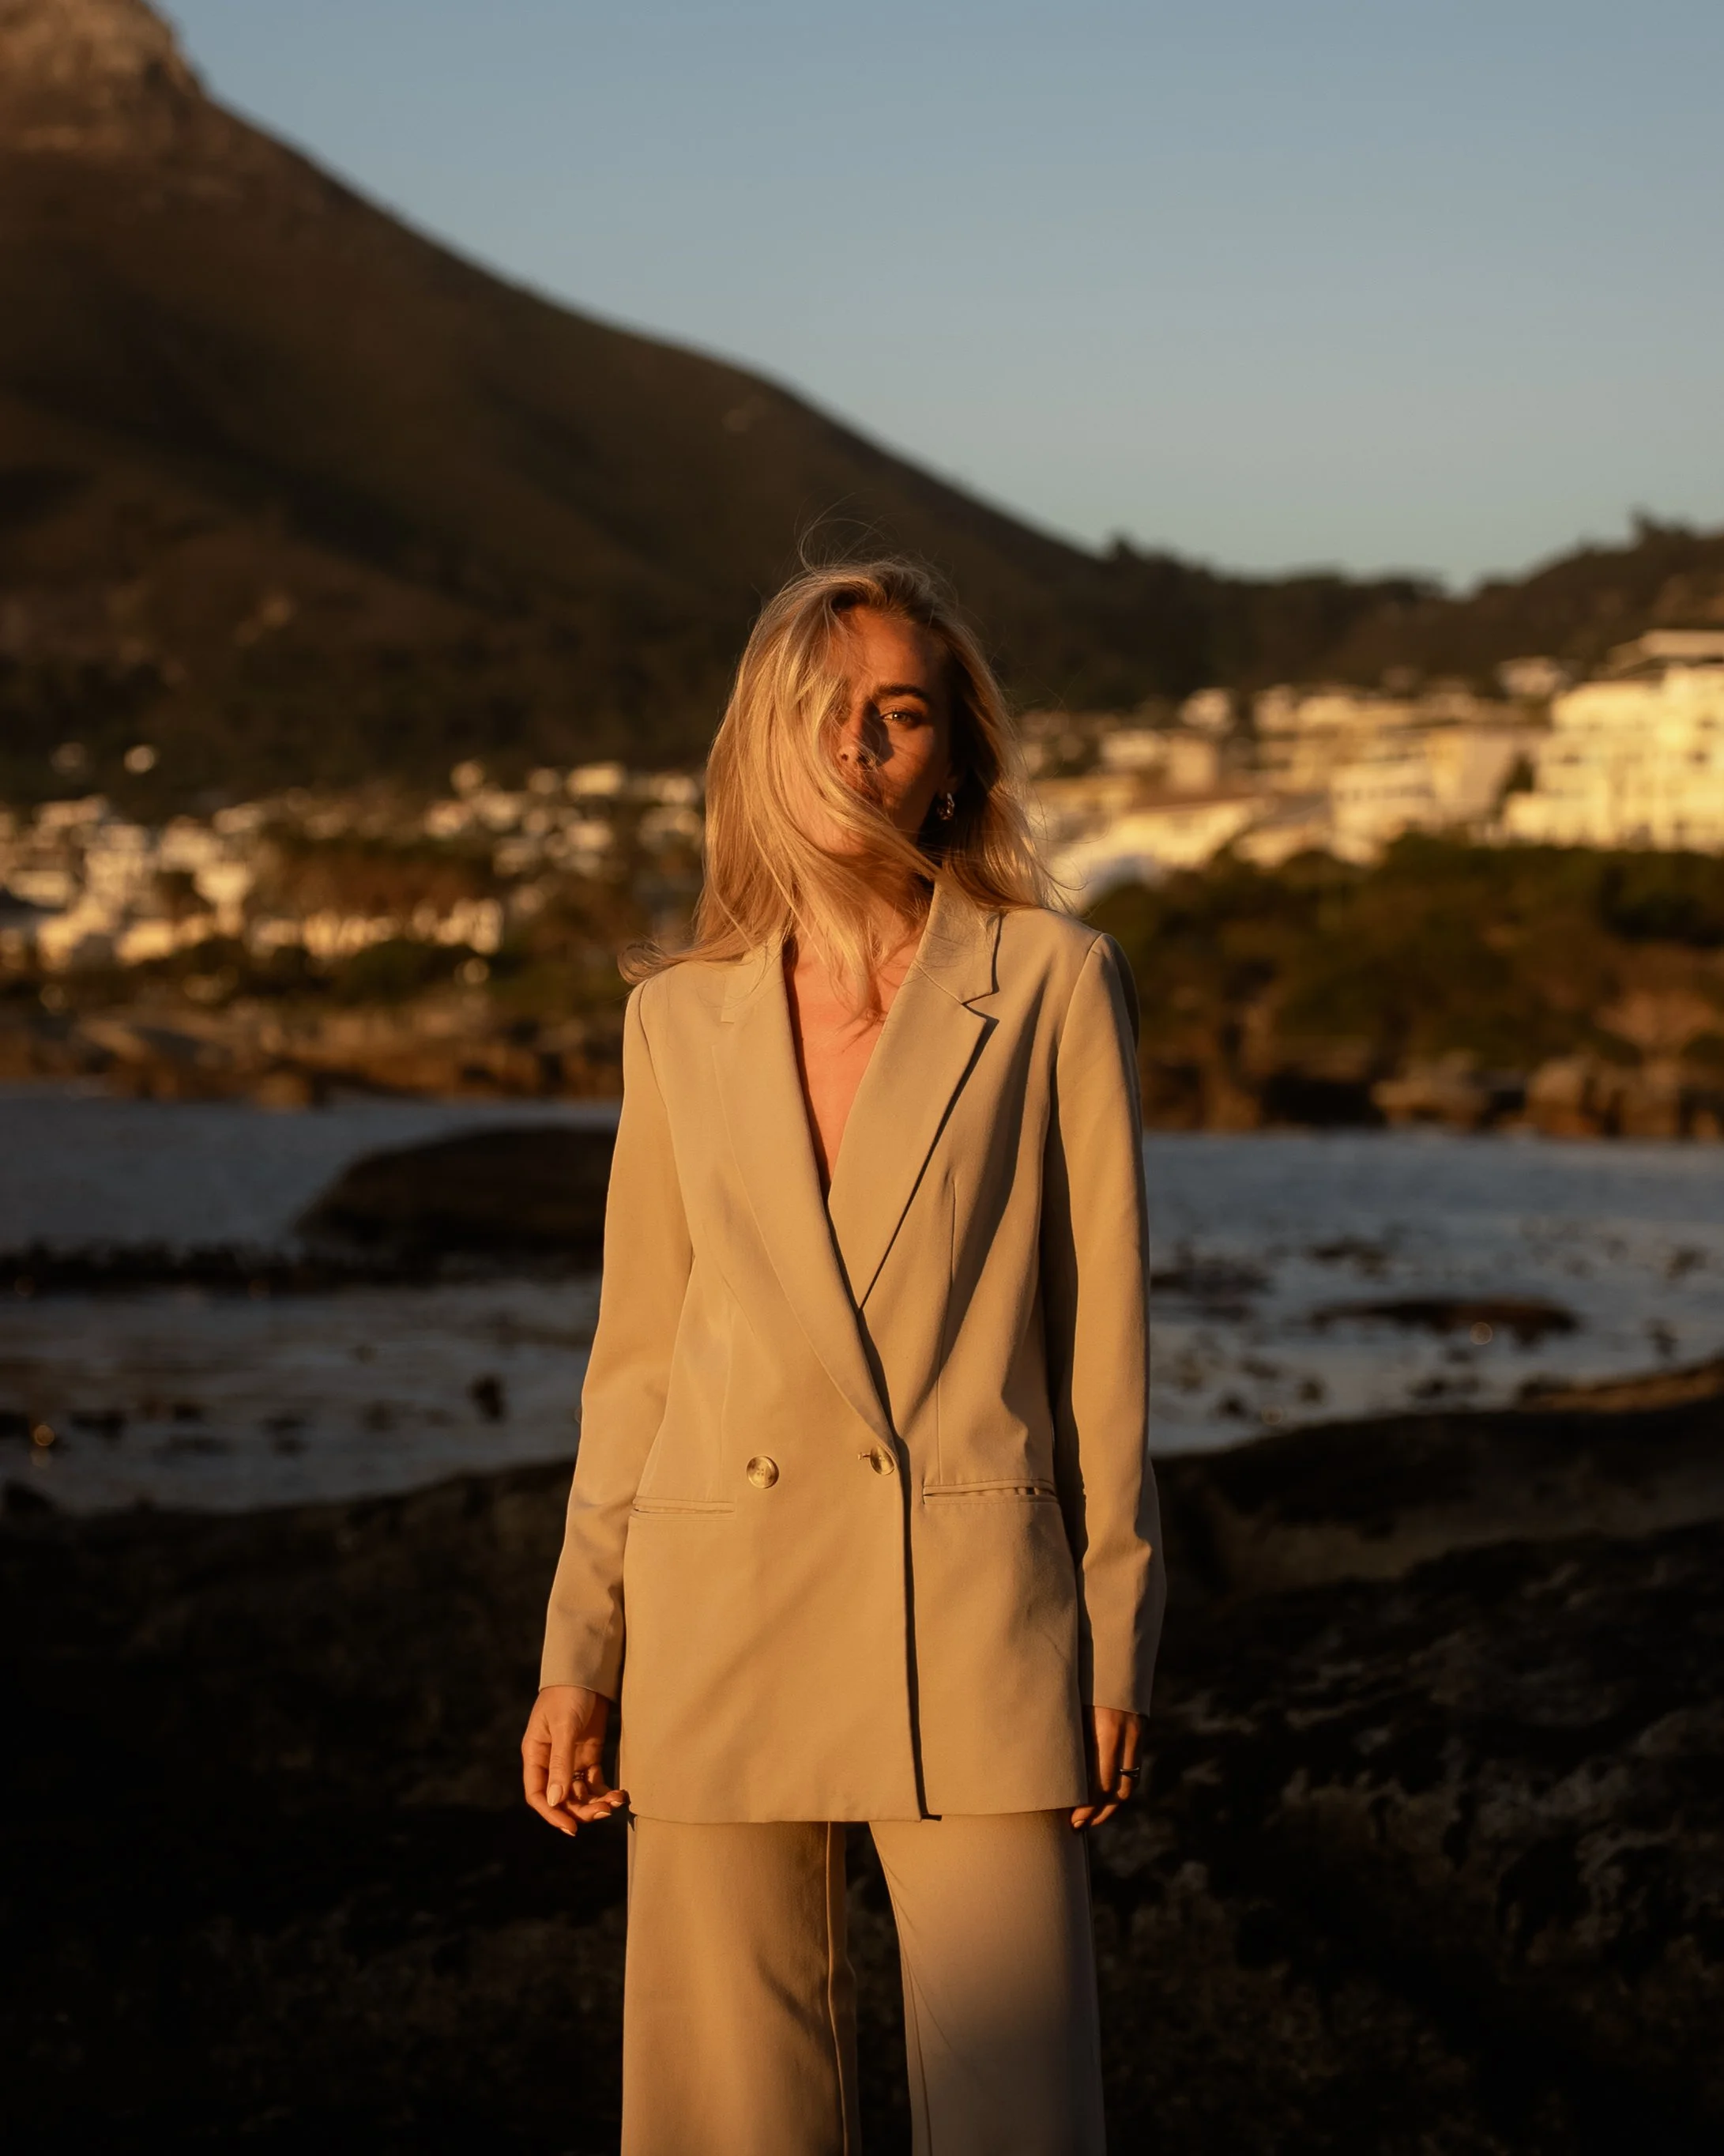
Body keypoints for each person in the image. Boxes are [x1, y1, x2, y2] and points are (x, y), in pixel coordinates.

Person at [521, 558, 1165, 2154]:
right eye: (829, 714)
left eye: (901, 712)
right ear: (762, 741)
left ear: (956, 755)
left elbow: (1101, 1345)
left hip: (971, 1607)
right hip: (713, 1604)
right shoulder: (676, 1018)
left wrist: (1116, 1623)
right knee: (722, 2115)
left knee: (1017, 2111)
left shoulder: (1053, 985)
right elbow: (639, 1362)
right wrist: (576, 1644)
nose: (863, 746)